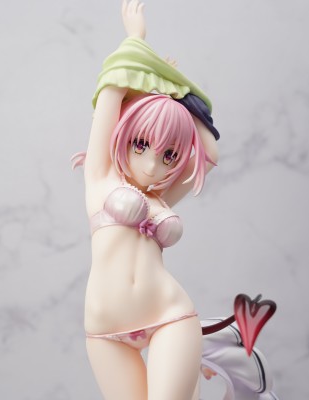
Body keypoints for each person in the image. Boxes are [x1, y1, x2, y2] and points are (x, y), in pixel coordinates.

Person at [72, 1, 218, 398]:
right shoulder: (100, 177)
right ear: (123, 134)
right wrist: (136, 40)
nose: (153, 165)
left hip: (170, 316)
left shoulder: (163, 196)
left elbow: (210, 152)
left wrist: (178, 93)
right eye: (141, 144)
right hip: (105, 332)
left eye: (169, 155)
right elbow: (113, 84)